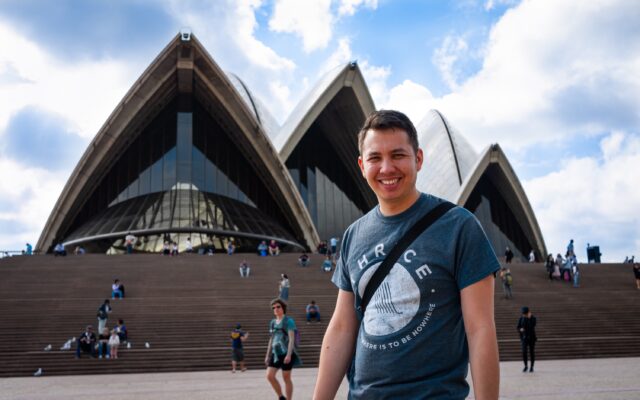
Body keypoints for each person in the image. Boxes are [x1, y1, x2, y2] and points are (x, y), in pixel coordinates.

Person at [314, 110, 500, 400]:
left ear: (419, 159)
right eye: (375, 158)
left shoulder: (459, 227)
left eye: (398, 155)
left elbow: (480, 329)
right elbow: (341, 327)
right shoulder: (354, 234)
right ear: (362, 166)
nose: (387, 168)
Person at [266, 298, 300, 400]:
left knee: (286, 378)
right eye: (274, 307)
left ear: (283, 308)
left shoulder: (289, 321)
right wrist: (267, 355)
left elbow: (291, 339)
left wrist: (289, 355)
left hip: (286, 353)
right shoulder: (272, 322)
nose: (275, 309)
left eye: (278, 307)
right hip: (275, 353)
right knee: (269, 376)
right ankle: (281, 397)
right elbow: (271, 339)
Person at [517, 306, 537, 373]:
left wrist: (529, 318)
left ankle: (532, 367)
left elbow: (532, 326)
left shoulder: (533, 318)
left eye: (525, 313)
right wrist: (520, 329)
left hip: (531, 338)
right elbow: (518, 327)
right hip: (524, 338)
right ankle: (525, 366)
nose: (524, 314)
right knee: (524, 352)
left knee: (531, 352)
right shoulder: (521, 318)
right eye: (523, 313)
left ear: (528, 312)